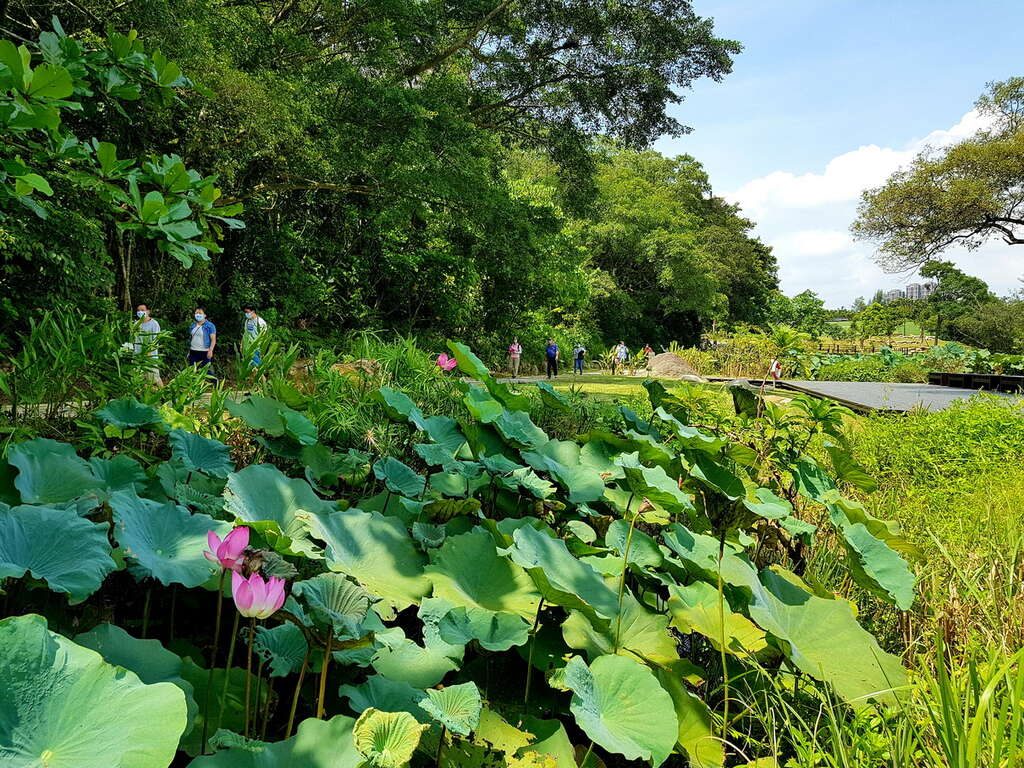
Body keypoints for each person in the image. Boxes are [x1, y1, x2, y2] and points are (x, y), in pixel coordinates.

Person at [133, 304, 162, 386]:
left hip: (150, 357)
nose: (140, 312)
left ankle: (164, 394)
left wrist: (149, 351)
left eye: (142, 310)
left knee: (155, 378)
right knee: (141, 378)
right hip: (137, 355)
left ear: (148, 311)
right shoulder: (136, 324)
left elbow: (156, 340)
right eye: (138, 310)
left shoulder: (154, 324)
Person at [188, 307, 217, 372]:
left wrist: (210, 350)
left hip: (204, 352)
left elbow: (213, 339)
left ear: (205, 315)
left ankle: (215, 382)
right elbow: (191, 338)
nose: (198, 314)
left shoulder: (210, 326)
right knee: (192, 371)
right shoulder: (193, 325)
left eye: (200, 313)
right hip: (193, 351)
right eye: (196, 313)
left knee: (206, 371)